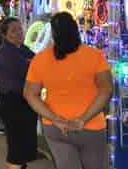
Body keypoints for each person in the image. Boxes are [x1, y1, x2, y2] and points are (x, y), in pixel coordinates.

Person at [24, 12, 112, 169]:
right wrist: (83, 119)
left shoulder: (40, 59)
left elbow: (30, 94)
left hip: (56, 128)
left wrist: (54, 118)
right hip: (90, 126)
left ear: (53, 34)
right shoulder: (95, 56)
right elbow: (106, 90)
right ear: (75, 30)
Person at [0, 18, 37, 169]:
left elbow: (38, 64)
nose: (19, 32)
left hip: (26, 104)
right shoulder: (4, 54)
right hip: (13, 105)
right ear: (5, 35)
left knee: (23, 150)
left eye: (20, 28)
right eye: (13, 30)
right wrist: (32, 88)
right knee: (16, 149)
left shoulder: (24, 50)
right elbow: (9, 84)